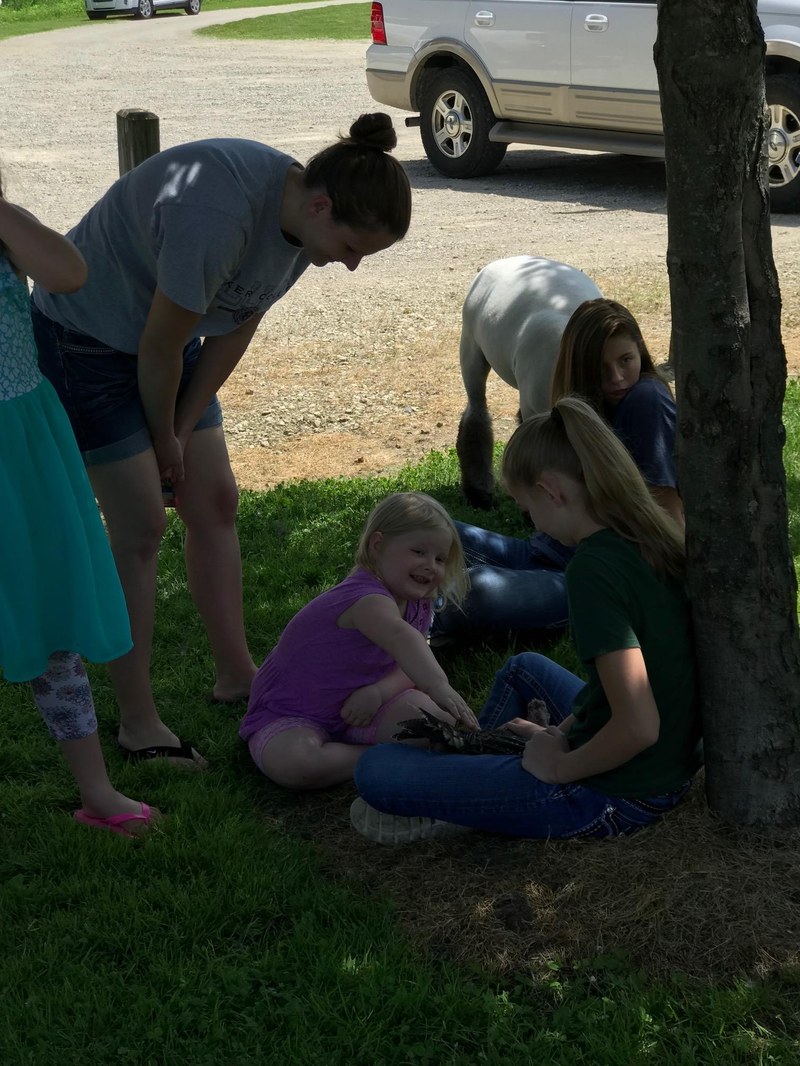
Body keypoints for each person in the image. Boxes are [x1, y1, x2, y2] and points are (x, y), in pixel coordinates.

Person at [30, 113, 412, 766]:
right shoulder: (218, 211)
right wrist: (163, 445)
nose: (349, 266)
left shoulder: (300, 228)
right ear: (320, 205)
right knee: (143, 524)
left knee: (215, 500)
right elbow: (159, 348)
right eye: (352, 246)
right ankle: (139, 722)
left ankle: (238, 674)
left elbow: (234, 326)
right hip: (85, 338)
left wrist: (178, 434)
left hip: (163, 346)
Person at [351, 397, 702, 843]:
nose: (532, 521)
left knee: (376, 770)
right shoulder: (648, 534)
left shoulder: (592, 572)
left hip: (612, 793)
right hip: (666, 765)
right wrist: (559, 732)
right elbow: (634, 687)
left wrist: (559, 764)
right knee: (524, 669)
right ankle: (483, 777)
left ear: (552, 490)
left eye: (528, 507)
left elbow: (638, 725)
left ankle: (477, 793)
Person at [0, 175, 155, 837]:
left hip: (25, 448)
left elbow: (68, 271)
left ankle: (97, 790)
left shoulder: (8, 234)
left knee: (51, 612)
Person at [431, 297, 681, 645]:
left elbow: (667, 510)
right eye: (600, 366)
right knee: (424, 527)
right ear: (579, 365)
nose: (617, 378)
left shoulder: (646, 400)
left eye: (626, 360)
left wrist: (660, 595)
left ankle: (407, 618)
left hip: (586, 575)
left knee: (478, 593)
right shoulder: (581, 403)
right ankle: (396, 601)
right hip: (544, 550)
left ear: (641, 350)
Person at [239, 492, 477, 790]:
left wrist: (378, 692)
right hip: (291, 713)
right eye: (418, 552)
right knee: (297, 763)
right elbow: (401, 638)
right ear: (378, 546)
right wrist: (437, 685)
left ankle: (360, 751)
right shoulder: (365, 599)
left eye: (440, 558)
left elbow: (410, 662)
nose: (431, 565)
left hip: (362, 709)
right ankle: (378, 756)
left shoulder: (418, 603)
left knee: (437, 724)